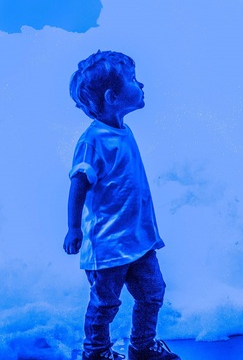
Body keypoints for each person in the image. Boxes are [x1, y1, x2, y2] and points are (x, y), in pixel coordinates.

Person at [63, 51, 180, 360]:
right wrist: (74, 228)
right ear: (113, 96)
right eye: (132, 79)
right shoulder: (93, 140)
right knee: (105, 303)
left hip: (139, 240)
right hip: (109, 244)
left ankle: (142, 346)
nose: (141, 83)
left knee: (153, 293)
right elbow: (78, 183)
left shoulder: (123, 130)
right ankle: (97, 352)